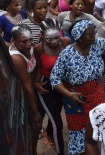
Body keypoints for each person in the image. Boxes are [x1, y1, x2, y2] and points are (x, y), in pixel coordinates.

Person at [50, 20, 105, 155]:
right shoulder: (67, 54)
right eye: (90, 35)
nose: (94, 36)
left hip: (97, 93)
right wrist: (69, 94)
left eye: (93, 33)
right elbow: (55, 79)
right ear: (79, 37)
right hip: (76, 98)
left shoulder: (97, 44)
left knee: (101, 125)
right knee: (79, 129)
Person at [33, 19, 71, 154]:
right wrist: (36, 83)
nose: (54, 42)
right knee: (57, 122)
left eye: (57, 37)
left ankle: (49, 134)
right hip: (45, 85)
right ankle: (61, 151)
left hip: (62, 85)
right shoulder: (39, 48)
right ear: (42, 35)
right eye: (50, 39)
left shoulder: (66, 42)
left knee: (55, 112)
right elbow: (38, 67)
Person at [9, 24, 42, 155]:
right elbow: (27, 86)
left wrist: (36, 81)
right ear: (14, 41)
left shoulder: (30, 47)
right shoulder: (16, 57)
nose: (29, 43)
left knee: (36, 126)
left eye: (30, 39)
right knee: (34, 124)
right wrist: (34, 112)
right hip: (22, 95)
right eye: (24, 41)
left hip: (32, 88)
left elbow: (38, 65)